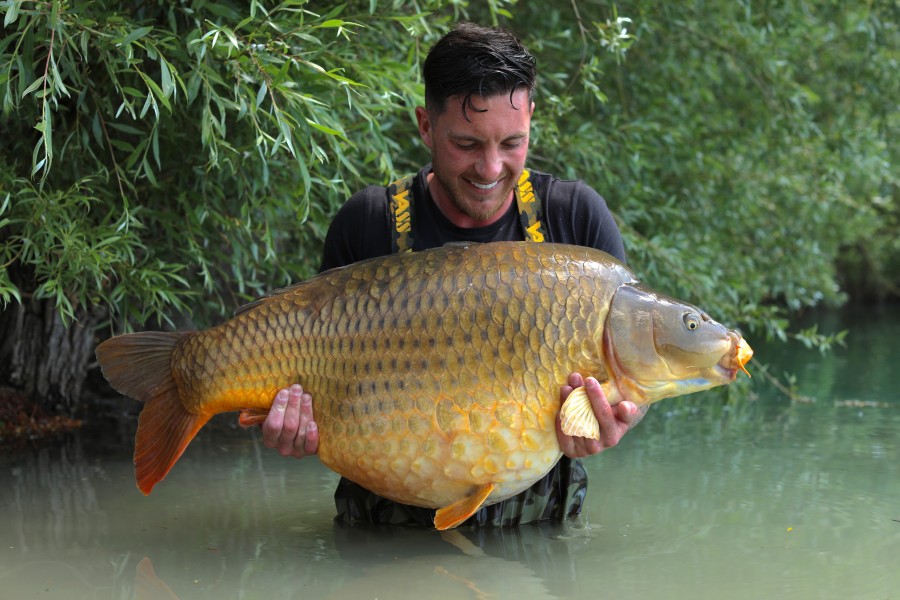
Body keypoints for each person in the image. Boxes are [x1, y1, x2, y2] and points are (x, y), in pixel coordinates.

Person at [261, 22, 645, 527]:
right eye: (466, 144)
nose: (490, 168)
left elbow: (626, 386)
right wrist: (294, 424)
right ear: (425, 125)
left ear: (532, 118)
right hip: (379, 544)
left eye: (512, 142)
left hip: (536, 541)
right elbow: (311, 377)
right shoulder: (368, 223)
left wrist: (614, 424)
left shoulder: (576, 222)